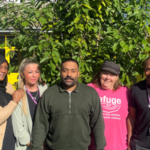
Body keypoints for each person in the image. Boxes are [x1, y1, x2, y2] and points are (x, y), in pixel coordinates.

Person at [32, 58, 106, 150]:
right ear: (60, 73)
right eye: (65, 70)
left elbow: (98, 124)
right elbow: (40, 125)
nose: (69, 74)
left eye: (73, 71)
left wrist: (100, 148)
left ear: (78, 73)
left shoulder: (90, 94)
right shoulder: (49, 94)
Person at [88, 61, 130, 150]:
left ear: (117, 77)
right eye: (105, 73)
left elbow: (132, 117)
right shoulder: (89, 89)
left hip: (118, 146)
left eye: (112, 75)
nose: (108, 77)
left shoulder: (126, 92)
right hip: (94, 146)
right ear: (100, 74)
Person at [12, 58, 48, 150]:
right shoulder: (19, 94)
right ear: (22, 74)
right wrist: (32, 143)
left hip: (45, 143)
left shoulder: (45, 89)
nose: (34, 75)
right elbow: (17, 126)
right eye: (30, 72)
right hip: (27, 145)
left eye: (36, 72)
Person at [0, 55, 24, 150]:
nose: (4, 70)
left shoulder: (7, 86)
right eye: (0, 66)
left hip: (12, 139)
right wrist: (14, 101)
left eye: (6, 68)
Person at [127, 57, 150, 150]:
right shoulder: (136, 89)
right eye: (148, 69)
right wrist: (129, 141)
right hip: (140, 144)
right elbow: (132, 116)